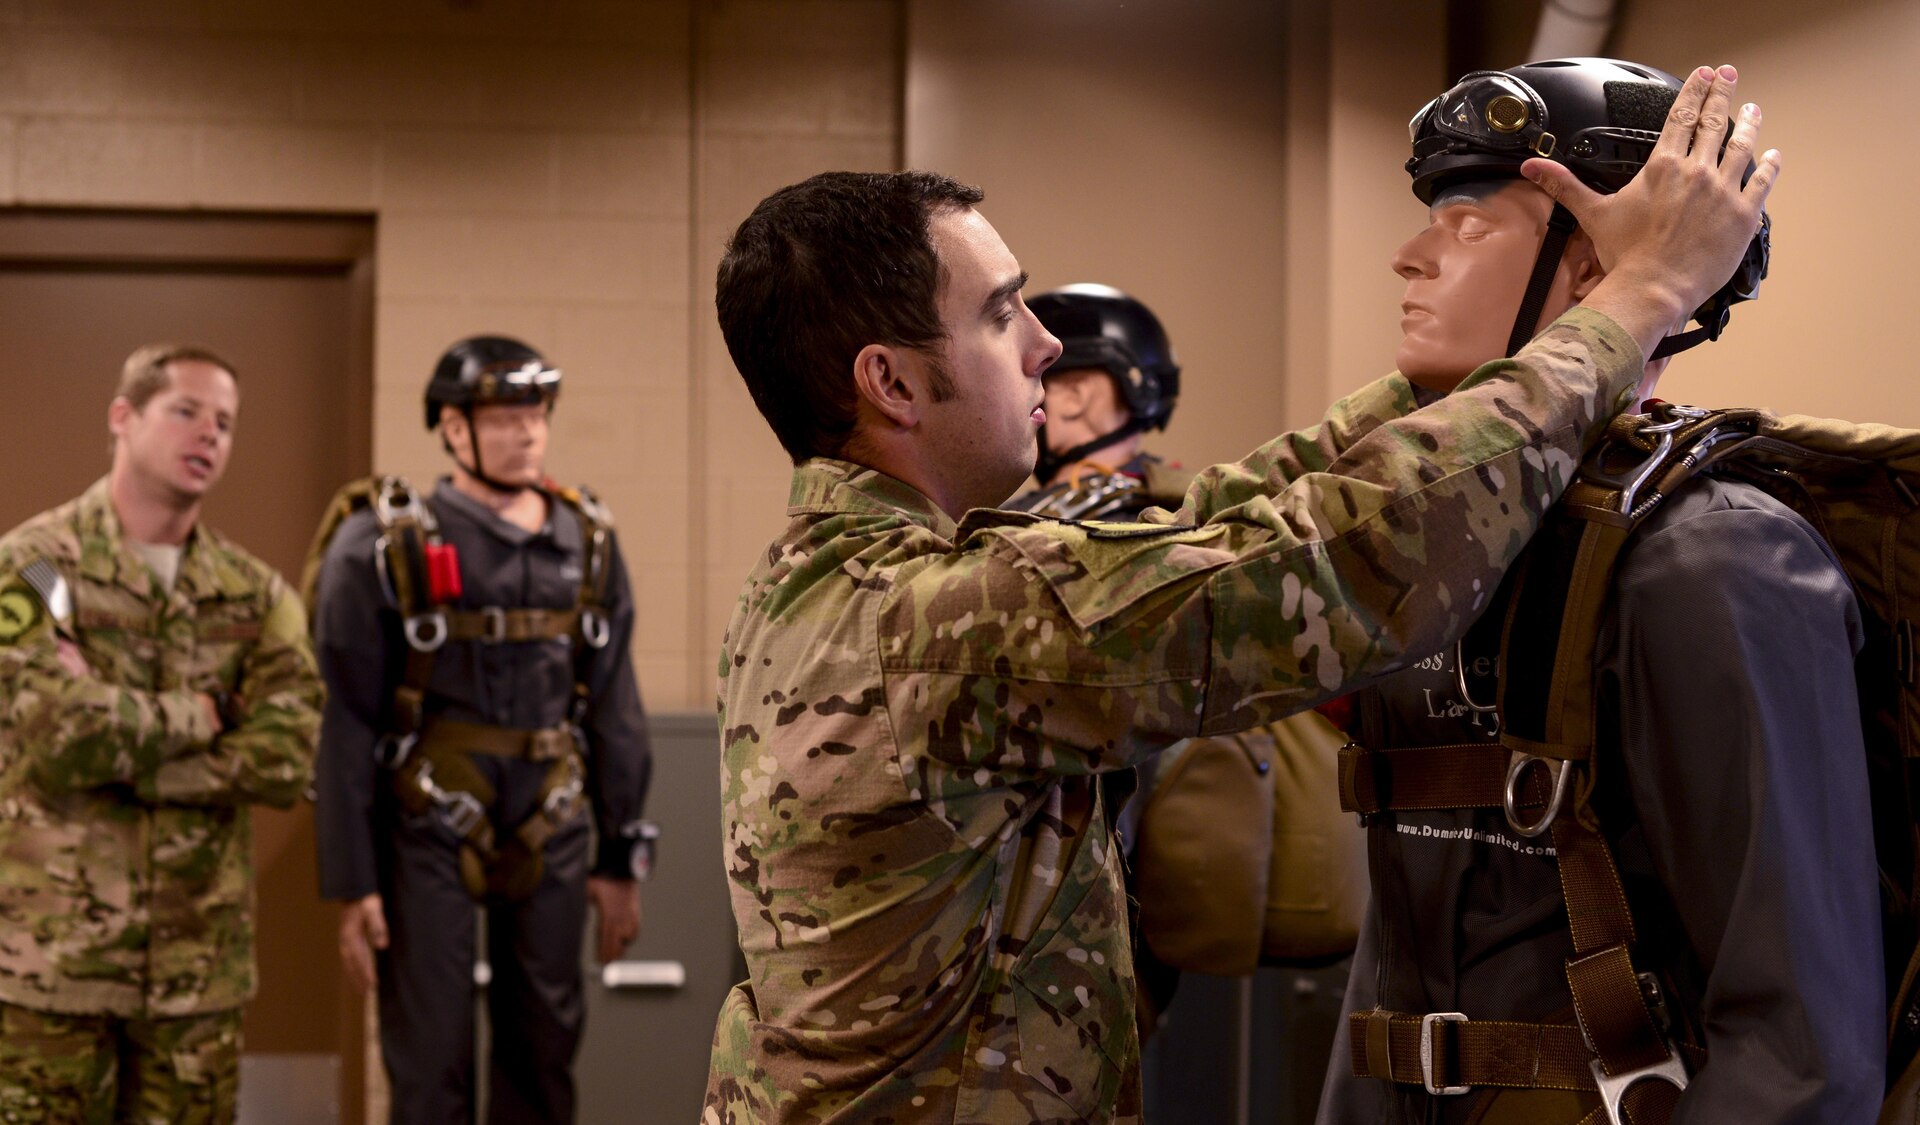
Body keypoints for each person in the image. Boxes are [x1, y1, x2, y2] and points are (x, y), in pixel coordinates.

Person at [701, 63, 1775, 1124]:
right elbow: (1330, 564)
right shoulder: (932, 625)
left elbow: (1211, 523)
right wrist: (1631, 301)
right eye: (999, 316)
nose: (1043, 345)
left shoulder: (839, 580)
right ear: (888, 382)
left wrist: (1465, 374)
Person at [1314, 58, 1881, 1123]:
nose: (1409, 256)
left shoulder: (1712, 560)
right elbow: (1391, 960)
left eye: (1469, 225)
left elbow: (1795, 1046)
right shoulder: (1431, 544)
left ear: (1593, 268)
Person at [0, 343, 324, 1123]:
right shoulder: (37, 567)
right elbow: (52, 732)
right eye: (186, 411)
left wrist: (135, 754)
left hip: (194, 984)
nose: (208, 434)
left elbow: (289, 756)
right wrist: (209, 714)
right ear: (123, 416)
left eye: (225, 422)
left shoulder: (255, 595)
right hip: (43, 972)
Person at [310, 335, 655, 1125]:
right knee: (429, 1059)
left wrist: (621, 852)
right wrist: (352, 880)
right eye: (502, 415)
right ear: (452, 428)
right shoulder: (384, 543)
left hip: (554, 820)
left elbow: (614, 705)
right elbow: (348, 717)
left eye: (535, 413)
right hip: (426, 820)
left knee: (544, 1051)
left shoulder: (589, 539)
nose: (526, 431)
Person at [1006, 284, 1365, 1034]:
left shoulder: (1052, 539)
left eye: (1045, 379)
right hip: (1135, 910)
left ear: (1075, 396)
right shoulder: (1198, 517)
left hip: (1070, 911)